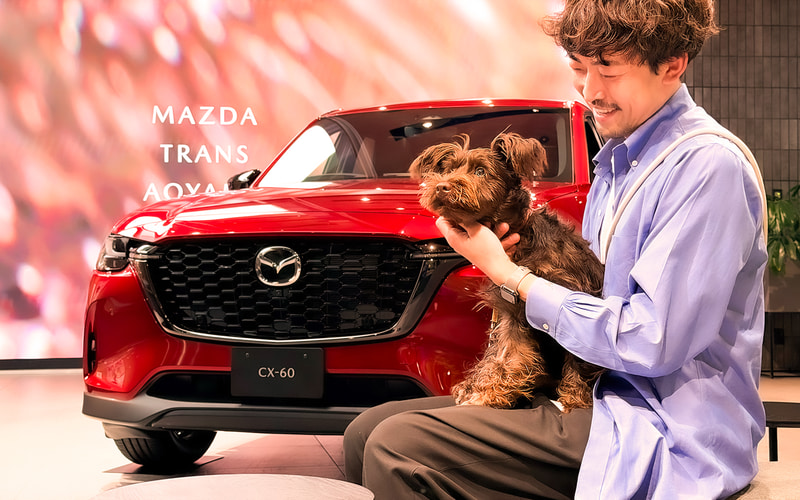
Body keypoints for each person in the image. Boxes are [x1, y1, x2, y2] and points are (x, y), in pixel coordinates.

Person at [343, 0, 767, 498]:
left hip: (661, 419)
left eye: (609, 69)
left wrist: (512, 276)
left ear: (672, 64)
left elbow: (653, 341)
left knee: (398, 445)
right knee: (364, 433)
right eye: (579, 68)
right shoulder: (619, 162)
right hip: (600, 388)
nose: (591, 91)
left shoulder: (706, 167)